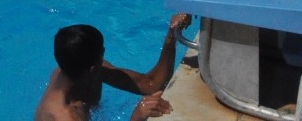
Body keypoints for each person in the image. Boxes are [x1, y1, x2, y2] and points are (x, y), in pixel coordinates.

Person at [34, 14, 192, 121]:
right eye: (102, 52)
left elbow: (152, 84)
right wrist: (136, 116)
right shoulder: (64, 116)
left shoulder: (78, 67)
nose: (104, 55)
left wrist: (172, 35)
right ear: (92, 67)